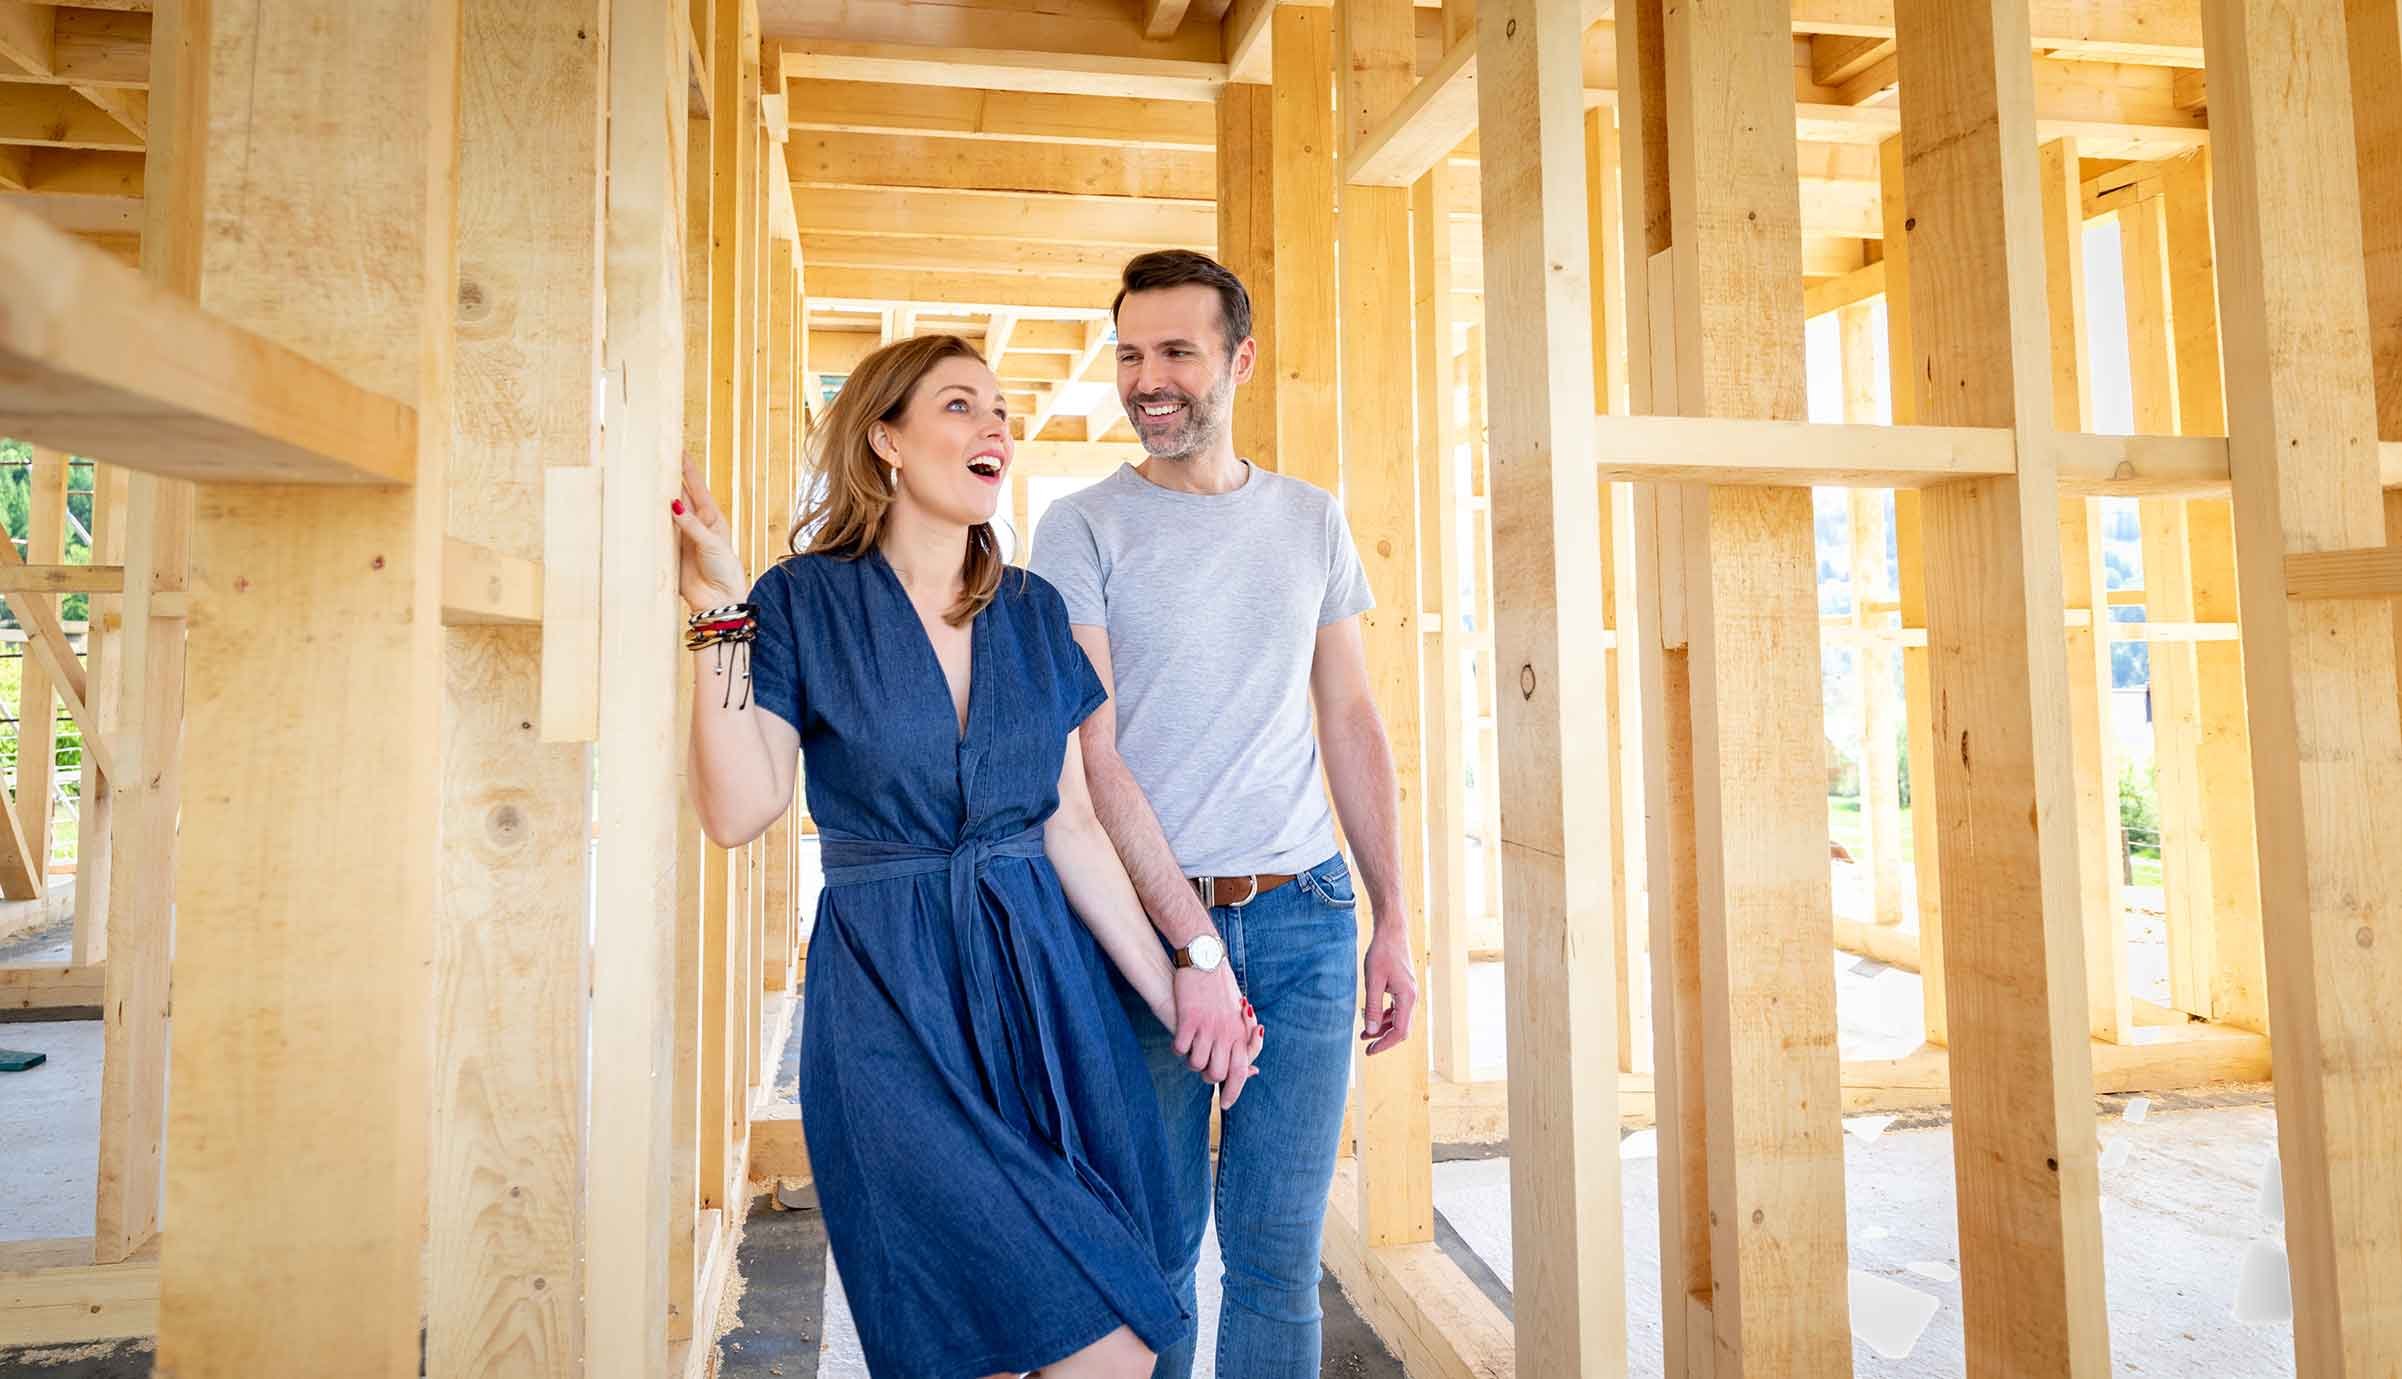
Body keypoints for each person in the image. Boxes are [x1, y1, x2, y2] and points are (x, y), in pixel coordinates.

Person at [674, 332, 1262, 1379]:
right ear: (886, 440)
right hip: (888, 1005)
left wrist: (1179, 987)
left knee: (1120, 1342)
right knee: (970, 1342)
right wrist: (720, 612)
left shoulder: (1033, 609)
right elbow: (738, 807)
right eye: (959, 405)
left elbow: (1070, 827)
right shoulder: (803, 598)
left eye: (999, 409)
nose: (995, 426)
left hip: (1044, 997)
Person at [1027, 250, 1420, 1379]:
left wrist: (1391, 914)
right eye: (1131, 354)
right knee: (1151, 1255)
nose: (1147, 379)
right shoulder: (1080, 528)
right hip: (1142, 932)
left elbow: (1349, 716)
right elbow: (1093, 757)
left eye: (1176, 352)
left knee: (1276, 1260)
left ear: (1237, 360)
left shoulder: (1308, 520)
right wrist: (1189, 946)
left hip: (1305, 916)